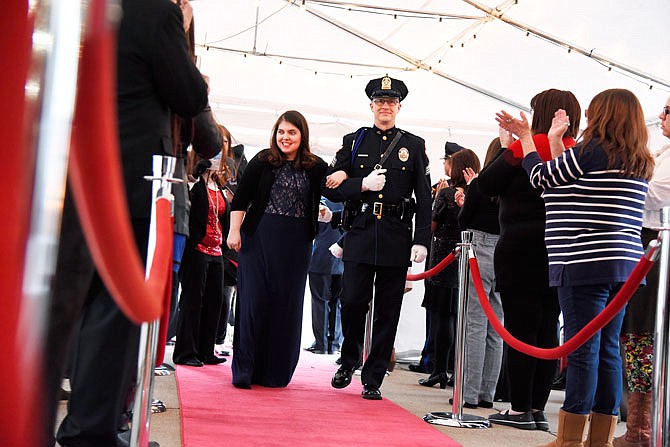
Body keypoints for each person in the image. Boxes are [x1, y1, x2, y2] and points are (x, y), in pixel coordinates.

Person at [45, 1, 214, 446]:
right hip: (129, 178)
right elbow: (190, 95)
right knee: (112, 310)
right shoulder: (156, 12)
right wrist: (182, 29)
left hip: (70, 173)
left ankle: (54, 423)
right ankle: (90, 430)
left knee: (69, 305)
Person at [498, 88, 654, 446]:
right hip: (625, 266)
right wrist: (553, 141)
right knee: (608, 350)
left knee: (583, 350)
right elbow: (560, 192)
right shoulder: (640, 160)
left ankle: (569, 439)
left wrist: (526, 139)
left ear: (604, 114)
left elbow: (542, 180)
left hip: (584, 262)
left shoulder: (590, 151)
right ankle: (598, 437)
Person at [478, 88, 582, 431]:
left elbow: (485, 185)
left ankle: (519, 407)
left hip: (520, 247)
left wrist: (510, 143)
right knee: (548, 327)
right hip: (559, 248)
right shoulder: (574, 151)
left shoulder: (528, 145)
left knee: (521, 328)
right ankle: (537, 408)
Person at [324, 76, 432, 400]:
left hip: (396, 235)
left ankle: (374, 376)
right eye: (380, 102)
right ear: (371, 106)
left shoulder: (413, 145)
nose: (385, 107)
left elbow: (424, 198)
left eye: (391, 102)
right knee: (353, 301)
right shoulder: (354, 141)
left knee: (388, 310)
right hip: (360, 231)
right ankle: (349, 359)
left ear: (399, 107)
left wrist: (421, 239)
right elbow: (333, 188)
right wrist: (358, 183)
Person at [227, 110, 328, 389]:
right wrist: (234, 231)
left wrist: (353, 177)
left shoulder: (315, 166)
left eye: (292, 132)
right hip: (258, 240)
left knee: (286, 305)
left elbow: (336, 189)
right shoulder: (262, 160)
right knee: (253, 302)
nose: (285, 137)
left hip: (297, 245)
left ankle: (275, 372)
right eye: (281, 132)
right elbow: (240, 198)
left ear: (302, 136)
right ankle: (245, 369)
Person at [613, 97, 670, 447]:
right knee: (638, 336)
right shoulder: (662, 152)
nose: (662, 116)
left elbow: (651, 196)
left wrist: (618, 182)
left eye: (668, 110)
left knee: (643, 337)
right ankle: (639, 425)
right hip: (647, 245)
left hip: (656, 248)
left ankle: (642, 429)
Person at [454, 137, 503, 409]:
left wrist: (470, 194)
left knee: (475, 322)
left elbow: (465, 218)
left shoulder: (481, 182)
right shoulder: (513, 182)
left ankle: (469, 393)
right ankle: (487, 393)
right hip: (503, 248)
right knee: (496, 325)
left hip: (478, 247)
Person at [418, 143, 469, 390]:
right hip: (467, 260)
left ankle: (438, 369)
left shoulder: (447, 194)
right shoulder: (477, 192)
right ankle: (452, 369)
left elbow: (433, 225)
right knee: (456, 317)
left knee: (441, 318)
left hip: (443, 258)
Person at [173, 150, 231, 367]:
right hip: (197, 248)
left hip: (216, 251)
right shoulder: (193, 183)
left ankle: (206, 350)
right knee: (192, 302)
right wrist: (197, 175)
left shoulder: (221, 187)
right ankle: (186, 352)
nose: (218, 160)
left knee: (214, 302)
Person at [306, 197, 345, 355]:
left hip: (321, 256)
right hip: (342, 258)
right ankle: (334, 344)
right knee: (337, 302)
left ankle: (321, 344)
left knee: (320, 301)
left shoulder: (320, 200)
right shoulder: (346, 200)